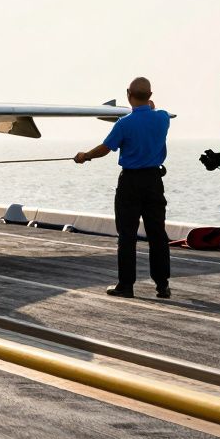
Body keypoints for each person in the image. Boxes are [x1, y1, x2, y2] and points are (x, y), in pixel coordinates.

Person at [74, 77, 172, 299]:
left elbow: (105, 148)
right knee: (157, 233)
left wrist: (85, 156)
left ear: (128, 94)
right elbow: (157, 111)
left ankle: (126, 285)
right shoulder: (163, 119)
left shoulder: (124, 124)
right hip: (154, 181)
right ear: (150, 96)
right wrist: (150, 106)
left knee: (127, 234)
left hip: (130, 182)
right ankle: (162, 285)